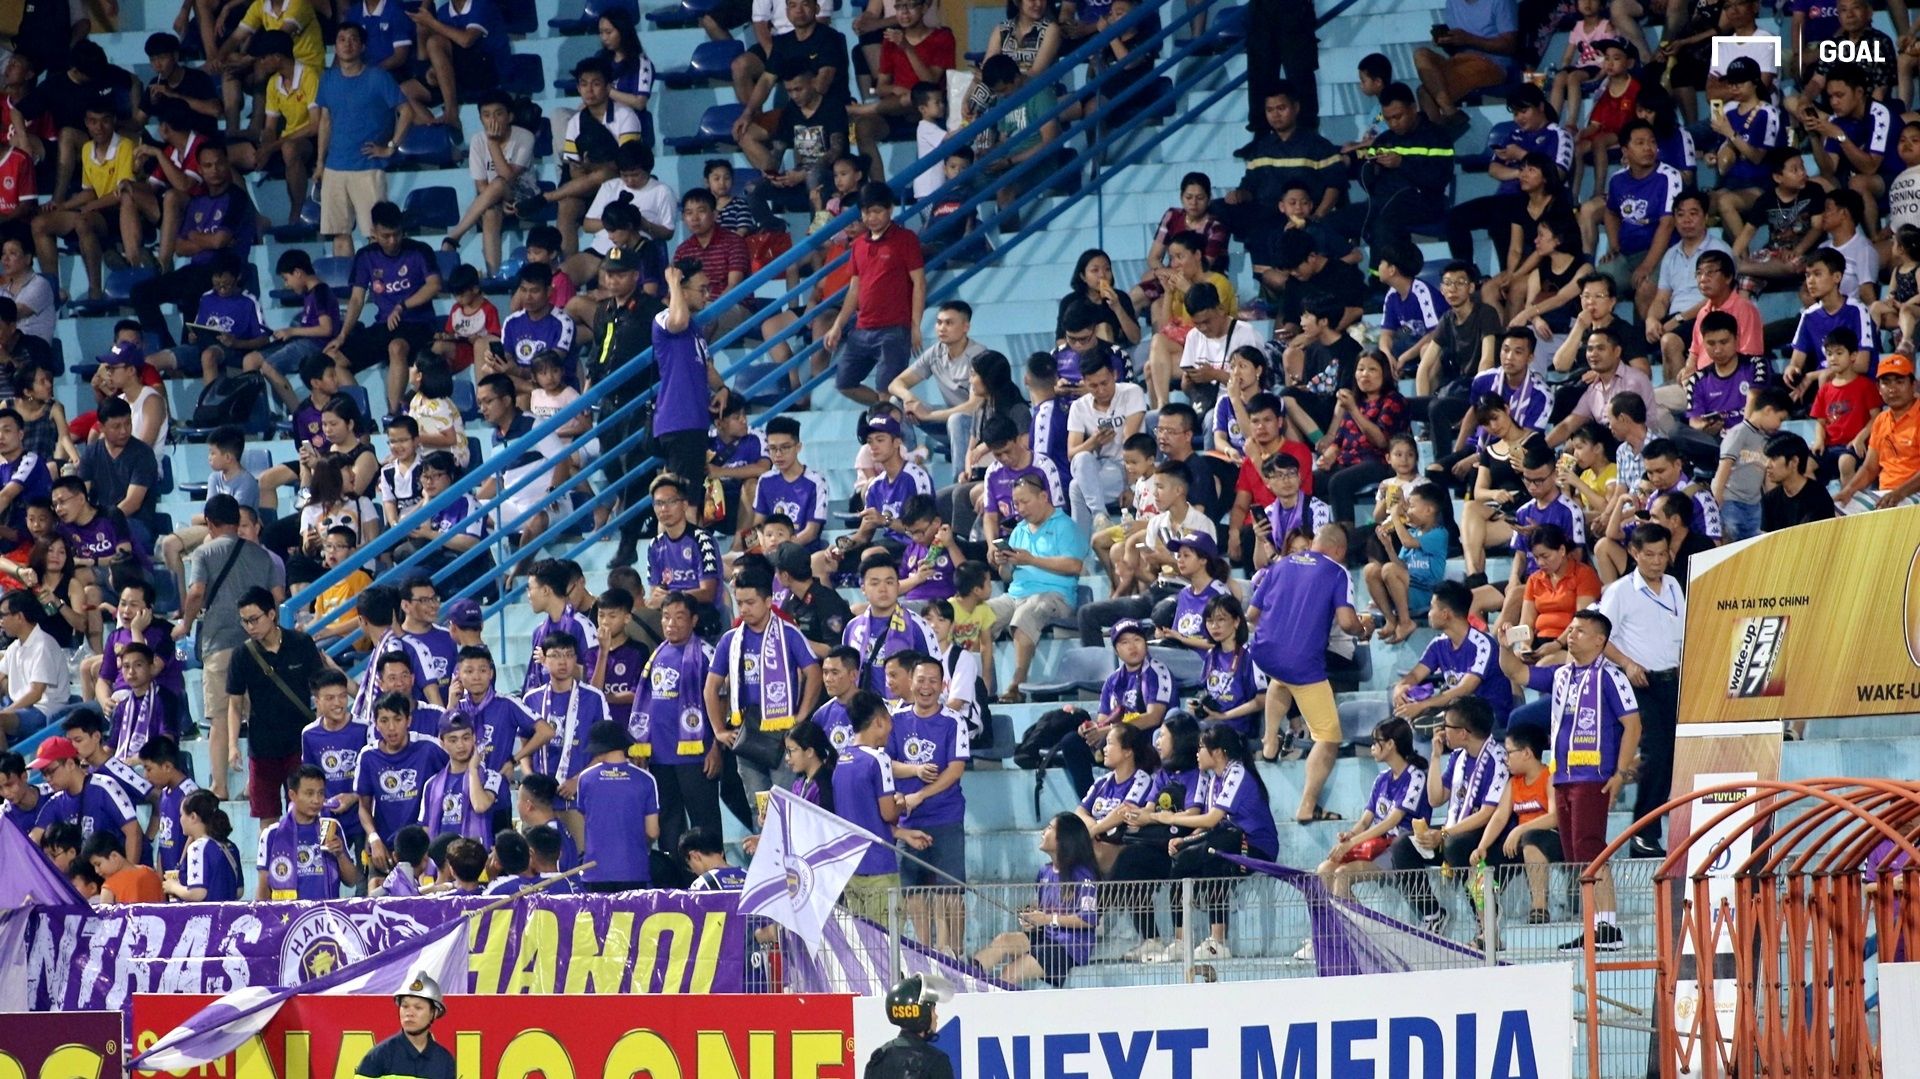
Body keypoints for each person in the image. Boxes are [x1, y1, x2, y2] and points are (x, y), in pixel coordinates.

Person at [1497, 609, 1639, 950]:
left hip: (1594, 776)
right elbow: (1517, 670)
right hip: (1563, 776)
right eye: (1570, 629)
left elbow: (1633, 725)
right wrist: (1504, 647)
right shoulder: (1562, 674)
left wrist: (1619, 773)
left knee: (1591, 849)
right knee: (1577, 855)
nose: (1570, 635)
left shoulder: (1611, 676)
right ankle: (1596, 926)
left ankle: (1608, 928)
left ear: (1599, 640)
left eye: (1579, 631)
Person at [1247, 525, 1373, 822]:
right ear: (1340, 550)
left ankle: (1269, 740)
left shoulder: (1280, 563)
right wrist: (1364, 627)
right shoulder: (1337, 572)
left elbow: (1252, 615)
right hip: (1302, 662)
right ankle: (1307, 805)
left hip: (1263, 652)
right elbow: (1346, 622)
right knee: (1328, 737)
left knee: (1281, 678)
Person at [1144, 725, 1277, 962]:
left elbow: (1214, 819)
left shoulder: (1237, 772)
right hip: (1226, 838)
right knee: (1182, 859)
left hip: (1255, 846)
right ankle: (1181, 941)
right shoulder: (1213, 778)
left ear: (1218, 752)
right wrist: (1184, 840)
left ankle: (1218, 941)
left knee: (1214, 854)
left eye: (1201, 748)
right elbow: (1208, 825)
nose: (1197, 753)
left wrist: (1170, 818)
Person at [1594, 525, 1682, 858]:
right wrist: (1629, 664)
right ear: (1634, 553)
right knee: (1656, 754)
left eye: (1662, 554)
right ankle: (1644, 832)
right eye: (1649, 555)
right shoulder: (1620, 591)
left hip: (1672, 680)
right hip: (1640, 682)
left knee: (1673, 756)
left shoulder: (1674, 585)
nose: (1657, 561)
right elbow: (1602, 638)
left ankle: (1663, 827)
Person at [1389, 697, 1506, 936]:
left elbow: (1487, 813)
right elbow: (1435, 798)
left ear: (1463, 733)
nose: (1442, 731)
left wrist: (1443, 834)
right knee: (1403, 845)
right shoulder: (1458, 757)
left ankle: (1486, 918)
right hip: (1453, 832)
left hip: (1487, 839)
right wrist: (1434, 756)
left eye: (1447, 726)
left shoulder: (1498, 759)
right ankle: (1433, 914)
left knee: (1456, 846)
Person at [707, 569, 822, 801]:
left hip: (783, 732)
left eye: (750, 602)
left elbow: (814, 673)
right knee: (757, 805)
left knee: (787, 802)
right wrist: (719, 730)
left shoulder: (789, 634)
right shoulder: (731, 639)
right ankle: (761, 838)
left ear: (768, 601)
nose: (744, 609)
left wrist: (800, 717)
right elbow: (711, 686)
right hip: (747, 732)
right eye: (739, 603)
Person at [227, 586, 331, 823]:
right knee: (267, 816)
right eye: (244, 622)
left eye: (254, 619)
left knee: (305, 812)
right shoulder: (241, 655)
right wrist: (233, 745)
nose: (250, 627)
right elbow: (234, 704)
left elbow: (320, 688)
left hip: (300, 743)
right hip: (262, 747)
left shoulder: (301, 643)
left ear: (271, 614)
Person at [823, 183, 926, 406]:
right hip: (862, 328)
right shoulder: (858, 244)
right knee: (844, 382)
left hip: (894, 329)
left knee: (885, 389)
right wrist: (838, 325)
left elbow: (919, 283)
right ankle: (890, 412)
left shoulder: (905, 239)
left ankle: (891, 421)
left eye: (877, 211)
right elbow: (854, 288)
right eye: (867, 212)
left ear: (890, 210)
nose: (872, 217)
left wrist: (915, 325)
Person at [973, 812, 1099, 987]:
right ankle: (966, 977)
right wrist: (1031, 919)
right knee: (1004, 940)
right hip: (1045, 938)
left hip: (1068, 948)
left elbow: (1088, 918)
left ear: (1064, 838)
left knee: (1010, 974)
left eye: (1049, 828)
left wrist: (1048, 919)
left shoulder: (1082, 874)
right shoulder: (1044, 872)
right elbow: (1041, 909)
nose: (1043, 832)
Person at [988, 475, 1086, 699]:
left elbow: (1074, 565)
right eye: (1016, 503)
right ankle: (984, 684)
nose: (1019, 508)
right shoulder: (1019, 531)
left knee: (1026, 612)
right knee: (980, 615)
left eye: (1024, 502)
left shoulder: (1065, 526)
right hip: (1015, 595)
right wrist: (1004, 563)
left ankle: (1017, 684)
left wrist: (1032, 560)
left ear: (1043, 497)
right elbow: (1006, 576)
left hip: (1055, 596)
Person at [1469, 724, 1561, 922]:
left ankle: (1539, 907)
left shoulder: (1550, 777)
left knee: (1531, 839)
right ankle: (1486, 925)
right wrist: (1482, 846)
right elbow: (1500, 816)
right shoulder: (1513, 783)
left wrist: (1520, 829)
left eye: (1509, 752)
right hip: (1520, 842)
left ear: (1527, 753)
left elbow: (1555, 817)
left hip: (1548, 839)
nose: (1505, 759)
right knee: (1482, 867)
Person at [574, 720, 661, 892]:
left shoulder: (585, 778)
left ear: (598, 748)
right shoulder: (646, 779)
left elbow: (587, 819)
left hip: (595, 871)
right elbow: (653, 831)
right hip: (634, 870)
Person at [257, 765, 360, 899]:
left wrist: (340, 854)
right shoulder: (272, 834)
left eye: (321, 793)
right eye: (309, 793)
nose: (317, 800)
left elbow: (352, 881)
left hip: (326, 916)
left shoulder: (330, 827)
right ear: (292, 795)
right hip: (289, 917)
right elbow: (263, 887)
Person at [1834, 354, 1920, 513]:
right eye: (1886, 383)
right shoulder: (1881, 420)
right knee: (1835, 508)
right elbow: (1869, 468)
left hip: (1913, 493)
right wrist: (1848, 491)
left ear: (1913, 385)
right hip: (1887, 494)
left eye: (1900, 382)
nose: (1892, 389)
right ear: (1879, 389)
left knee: (1886, 509)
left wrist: (1899, 493)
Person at [354, 973, 455, 1079]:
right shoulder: (378, 1057)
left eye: (418, 1007)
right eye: (405, 1006)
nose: (409, 1013)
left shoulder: (445, 1061)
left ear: (433, 1013)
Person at [867, 975, 955, 1079]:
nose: (936, 1016)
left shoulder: (879, 1057)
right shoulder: (937, 1061)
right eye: (932, 1010)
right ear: (922, 1014)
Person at [165, 790, 244, 902]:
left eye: (182, 815)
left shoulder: (198, 848)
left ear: (193, 817)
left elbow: (197, 893)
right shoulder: (230, 846)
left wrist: (173, 887)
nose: (180, 819)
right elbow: (239, 891)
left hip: (207, 917)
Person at [1762, 433, 1838, 532]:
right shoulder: (1770, 499)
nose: (1767, 465)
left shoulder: (1818, 497)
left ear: (1794, 461)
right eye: (1767, 458)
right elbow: (1767, 537)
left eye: (1774, 459)